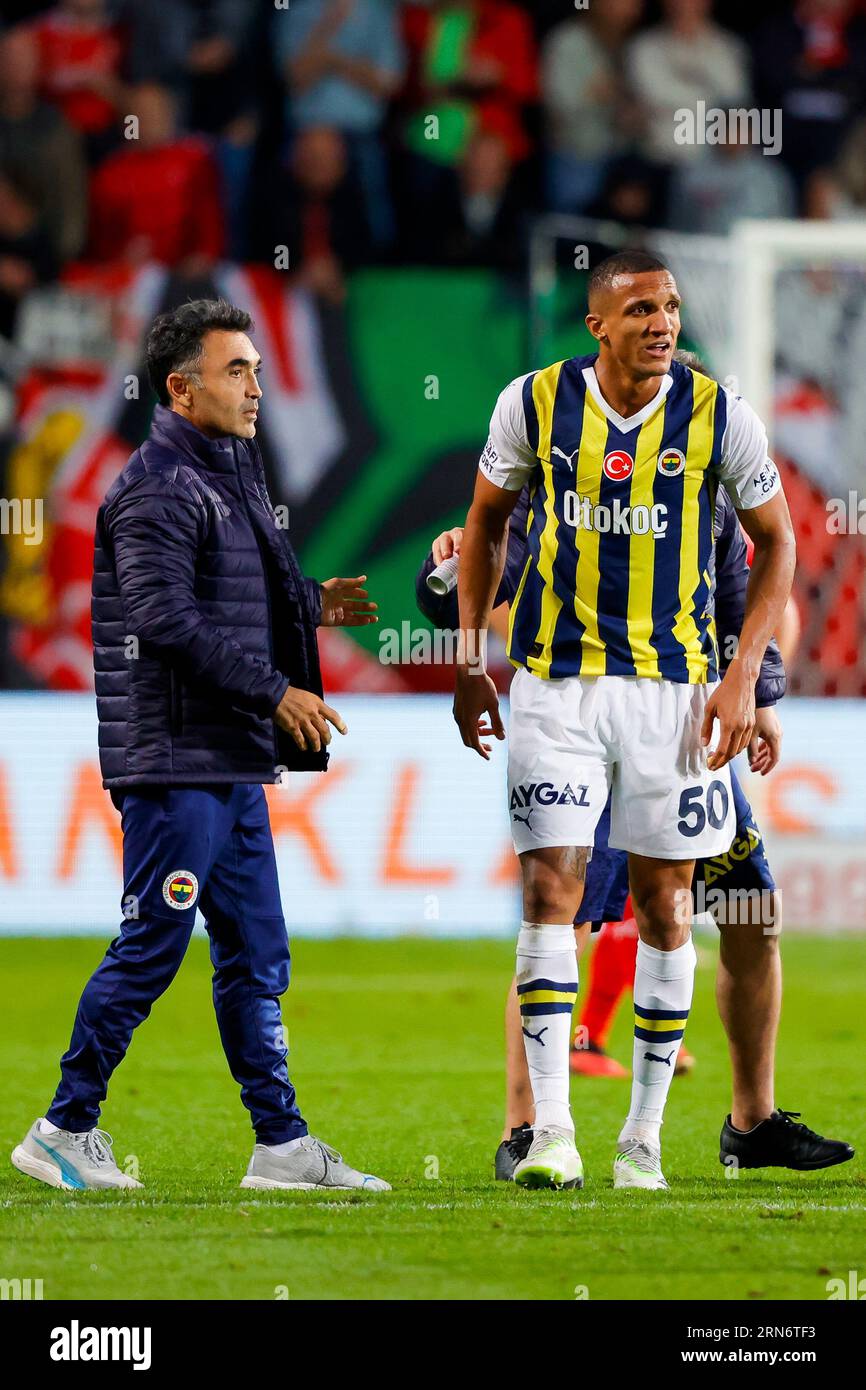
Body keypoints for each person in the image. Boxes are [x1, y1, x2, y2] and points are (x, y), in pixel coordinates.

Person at [11, 298, 389, 1195]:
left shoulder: (229, 469)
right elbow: (163, 617)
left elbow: (229, 588)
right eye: (237, 370)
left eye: (258, 367)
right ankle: (64, 1127)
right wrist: (276, 689)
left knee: (257, 950)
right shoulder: (155, 485)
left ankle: (281, 1145)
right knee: (153, 942)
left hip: (227, 759)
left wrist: (309, 604)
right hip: (175, 759)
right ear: (182, 388)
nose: (257, 386)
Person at [451, 250, 797, 1192]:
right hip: (554, 688)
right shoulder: (532, 403)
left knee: (665, 906)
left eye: (672, 306)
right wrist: (468, 662)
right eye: (640, 308)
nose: (662, 322)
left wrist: (743, 679)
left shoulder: (722, 414)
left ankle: (641, 1141)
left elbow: (778, 544)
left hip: (675, 696)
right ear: (596, 323)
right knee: (550, 894)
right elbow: (482, 523)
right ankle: (551, 1132)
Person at [420, 434, 852, 1181]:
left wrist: (760, 693)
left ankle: (751, 1121)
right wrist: (445, 574)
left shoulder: (710, 495)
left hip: (684, 733)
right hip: (586, 726)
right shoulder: (560, 482)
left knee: (751, 915)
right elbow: (473, 593)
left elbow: (739, 599)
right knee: (566, 914)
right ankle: (526, 1126)